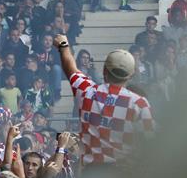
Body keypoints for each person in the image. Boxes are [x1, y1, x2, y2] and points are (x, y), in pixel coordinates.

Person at [53, 33, 155, 166]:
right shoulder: (139, 103)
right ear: (131, 75)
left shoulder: (86, 92)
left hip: (91, 174)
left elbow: (70, 67)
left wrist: (63, 45)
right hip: (124, 177)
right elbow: (150, 144)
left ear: (104, 71)